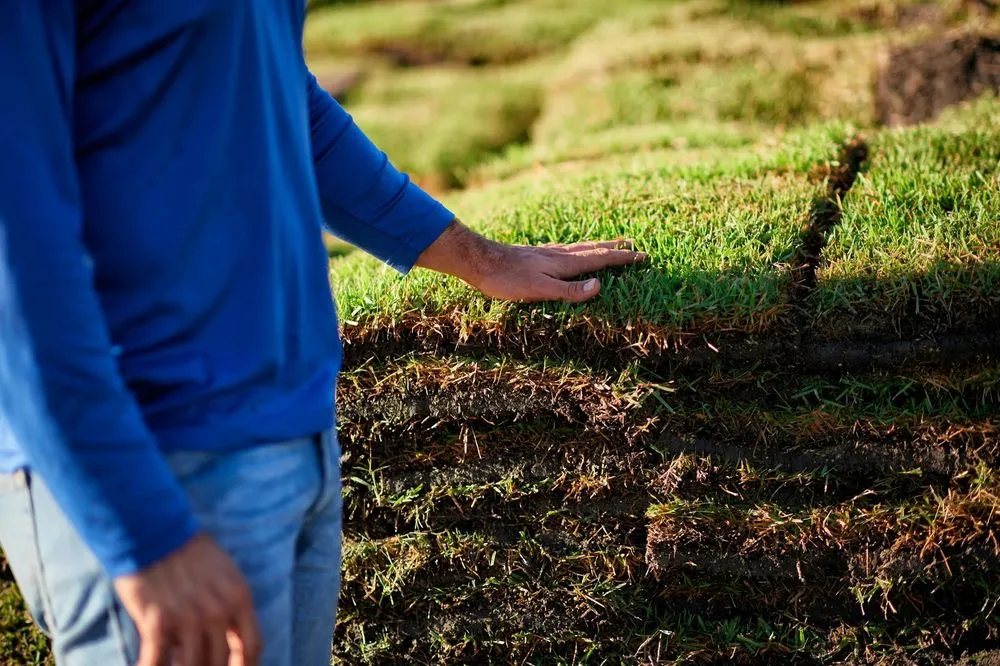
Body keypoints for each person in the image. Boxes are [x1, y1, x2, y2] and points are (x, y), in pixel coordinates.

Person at [0, 3, 646, 666]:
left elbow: (277, 90)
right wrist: (141, 532)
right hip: (153, 461)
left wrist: (480, 258)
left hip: (293, 437)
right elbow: (13, 252)